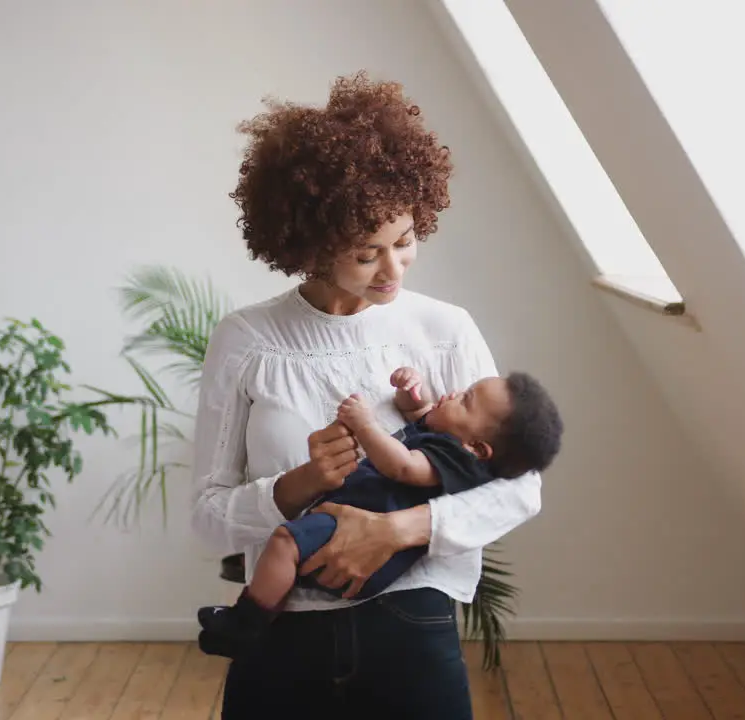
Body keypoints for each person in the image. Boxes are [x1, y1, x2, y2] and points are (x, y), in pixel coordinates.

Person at [190, 71, 545, 719]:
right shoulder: (246, 341)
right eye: (366, 253)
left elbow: (521, 487)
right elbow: (206, 515)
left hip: (410, 620)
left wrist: (395, 530)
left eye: (405, 242)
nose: (393, 270)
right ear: (312, 247)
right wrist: (295, 484)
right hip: (278, 635)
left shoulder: (444, 330)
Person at [197, 367, 563, 660]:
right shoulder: (451, 442)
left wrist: (364, 424)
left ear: (476, 449)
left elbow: (404, 466)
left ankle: (245, 621)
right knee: (287, 549)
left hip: (357, 542)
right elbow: (421, 423)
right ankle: (263, 620)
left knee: (283, 542)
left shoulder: (457, 461)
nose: (453, 393)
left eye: (465, 400)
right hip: (348, 525)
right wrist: (412, 397)